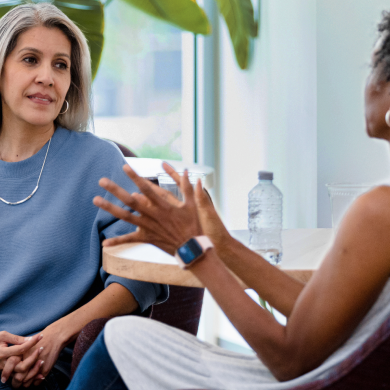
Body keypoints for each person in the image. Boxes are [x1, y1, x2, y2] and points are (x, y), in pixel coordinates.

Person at [65, 9, 390, 390]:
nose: (365, 84)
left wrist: (193, 250)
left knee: (121, 342)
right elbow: (315, 315)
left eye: (370, 68)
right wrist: (221, 243)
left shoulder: (379, 210)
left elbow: (289, 358)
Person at [0, 3, 168, 390]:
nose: (47, 77)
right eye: (30, 59)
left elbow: (140, 280)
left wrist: (56, 334)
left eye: (61, 65)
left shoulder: (99, 161)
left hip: (49, 368)